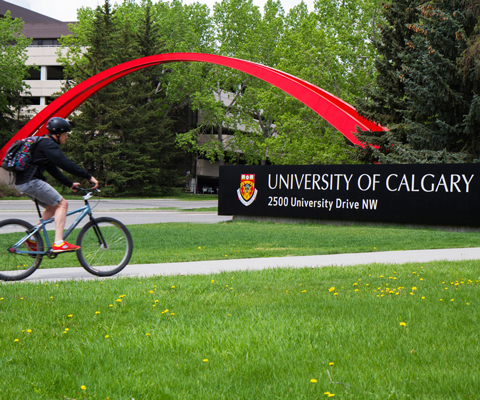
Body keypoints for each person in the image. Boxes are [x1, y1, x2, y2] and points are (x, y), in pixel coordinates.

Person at [15, 117, 99, 253]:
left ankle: (32, 238)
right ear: (58, 133)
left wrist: (69, 183)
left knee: (53, 206)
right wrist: (88, 176)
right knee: (62, 204)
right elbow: (65, 163)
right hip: (31, 182)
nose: (66, 137)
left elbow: (52, 169)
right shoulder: (49, 144)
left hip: (22, 183)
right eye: (65, 134)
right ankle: (59, 242)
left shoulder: (43, 144)